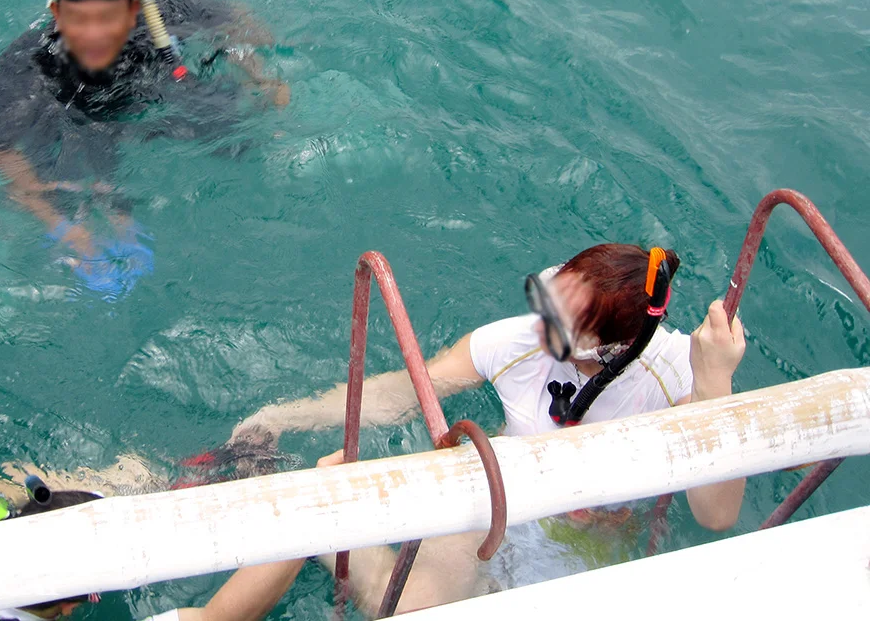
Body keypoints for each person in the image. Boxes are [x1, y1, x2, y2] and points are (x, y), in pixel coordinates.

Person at [229, 244, 748, 612]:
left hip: (580, 536)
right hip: (492, 498)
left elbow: (717, 514)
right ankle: (327, 503)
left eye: (557, 326)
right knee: (411, 608)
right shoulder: (518, 341)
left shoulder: (677, 372)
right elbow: (406, 391)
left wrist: (714, 383)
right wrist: (281, 416)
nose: (536, 327)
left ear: (612, 352)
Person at [0, 0, 287, 299]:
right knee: (63, 182)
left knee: (238, 134)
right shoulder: (29, 63)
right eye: (79, 20)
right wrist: (59, 225)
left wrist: (259, 75)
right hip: (70, 114)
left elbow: (241, 19)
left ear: (132, 10)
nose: (95, 34)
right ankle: (106, 221)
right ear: (57, 13)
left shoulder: (160, 16)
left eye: (108, 18)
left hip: (146, 96)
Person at [0, 455, 304, 621]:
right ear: (71, 606)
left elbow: (14, 481)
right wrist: (309, 515)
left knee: (130, 477)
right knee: (132, 475)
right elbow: (219, 618)